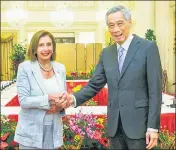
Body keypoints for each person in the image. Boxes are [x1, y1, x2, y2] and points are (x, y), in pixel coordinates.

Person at [64, 5, 162, 150]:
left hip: (139, 126)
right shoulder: (107, 53)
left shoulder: (148, 48)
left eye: (120, 23)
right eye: (111, 25)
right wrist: (73, 98)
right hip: (114, 127)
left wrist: (153, 127)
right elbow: (95, 84)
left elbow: (155, 91)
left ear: (130, 22)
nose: (116, 29)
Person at [14, 30, 68, 149]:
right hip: (31, 131)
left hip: (54, 130)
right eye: (41, 45)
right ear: (34, 49)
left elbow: (64, 95)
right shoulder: (25, 68)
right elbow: (23, 101)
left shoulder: (60, 68)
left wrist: (62, 104)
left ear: (53, 47)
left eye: (49, 44)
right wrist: (48, 99)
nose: (46, 48)